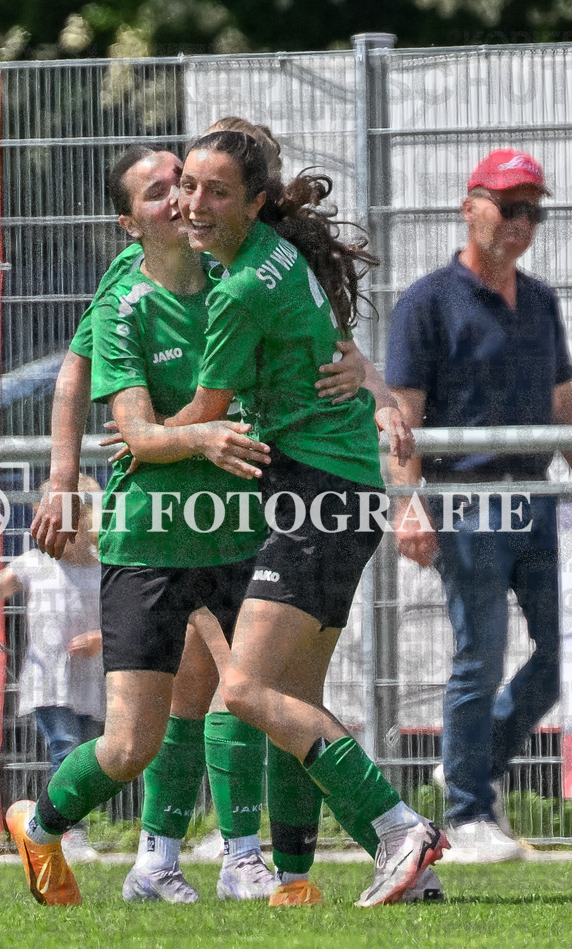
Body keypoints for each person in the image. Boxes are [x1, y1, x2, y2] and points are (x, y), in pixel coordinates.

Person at [145, 128, 449, 907]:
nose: (196, 204)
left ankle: (394, 828)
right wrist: (373, 394)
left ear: (253, 202)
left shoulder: (242, 285)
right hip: (339, 491)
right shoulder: (277, 251)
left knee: (244, 691)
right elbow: (328, 346)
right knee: (293, 701)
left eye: (217, 192)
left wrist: (138, 441)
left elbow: (206, 414)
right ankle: (300, 876)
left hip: (315, 495)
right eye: (191, 188)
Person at [385, 148, 572, 861]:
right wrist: (409, 506)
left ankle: (469, 761)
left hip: (534, 499)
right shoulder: (427, 302)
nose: (521, 222)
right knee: (480, 656)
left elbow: (561, 404)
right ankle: (466, 814)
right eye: (507, 205)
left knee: (558, 658)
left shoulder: (542, 301)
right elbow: (400, 416)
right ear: (469, 206)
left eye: (533, 209)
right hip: (463, 502)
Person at [0, 476, 105, 864]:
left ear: (90, 522)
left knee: (89, 760)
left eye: (74, 519)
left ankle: (52, 825)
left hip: (91, 684)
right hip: (48, 682)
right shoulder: (35, 564)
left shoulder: (106, 569)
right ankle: (67, 833)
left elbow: (124, 621)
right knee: (66, 750)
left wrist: (99, 639)